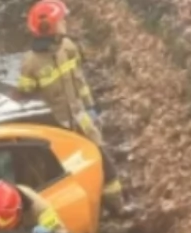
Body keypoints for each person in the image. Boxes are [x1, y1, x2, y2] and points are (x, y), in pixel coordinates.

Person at [17, 0, 127, 217]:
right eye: (61, 20)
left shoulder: (68, 47)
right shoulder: (30, 64)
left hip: (81, 119)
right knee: (72, 174)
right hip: (58, 129)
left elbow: (80, 81)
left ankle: (116, 206)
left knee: (103, 159)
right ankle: (91, 212)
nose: (65, 23)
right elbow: (26, 101)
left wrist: (90, 106)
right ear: (48, 27)